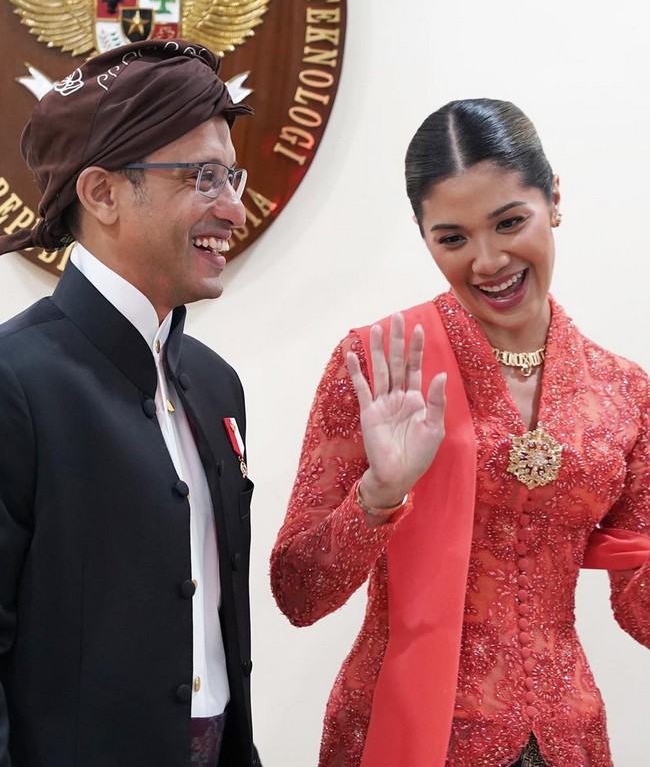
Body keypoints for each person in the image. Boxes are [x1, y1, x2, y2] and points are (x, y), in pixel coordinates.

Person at [270, 98, 650, 767]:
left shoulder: (622, 392)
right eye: (453, 238)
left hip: (568, 741)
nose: (487, 260)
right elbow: (298, 593)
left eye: (510, 222)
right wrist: (379, 496)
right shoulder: (377, 364)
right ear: (424, 237)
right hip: (406, 729)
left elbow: (640, 609)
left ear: (553, 199)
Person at [0, 39, 261, 767]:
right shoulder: (13, 382)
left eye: (231, 175)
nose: (234, 208)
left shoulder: (215, 385)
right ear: (103, 193)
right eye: (203, 177)